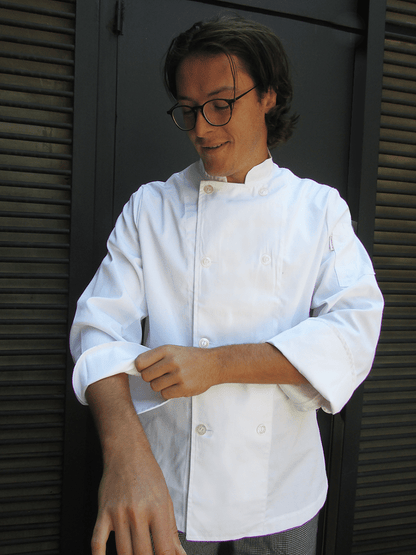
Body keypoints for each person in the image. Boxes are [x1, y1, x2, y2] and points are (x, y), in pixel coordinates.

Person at [70, 14, 384, 555]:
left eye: (220, 103)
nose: (201, 128)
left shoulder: (317, 209)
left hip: (281, 493)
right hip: (165, 485)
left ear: (268, 96)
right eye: (188, 109)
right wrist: (124, 458)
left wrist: (216, 365)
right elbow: (96, 333)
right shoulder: (151, 208)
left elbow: (352, 333)